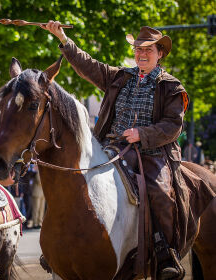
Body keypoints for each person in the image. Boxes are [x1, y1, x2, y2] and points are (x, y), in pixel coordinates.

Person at [43, 23, 190, 279]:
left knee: (160, 192)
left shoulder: (171, 86)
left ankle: (165, 253)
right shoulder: (119, 76)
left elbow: (173, 125)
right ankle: (57, 245)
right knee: (72, 180)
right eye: (138, 50)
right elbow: (88, 65)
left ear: (160, 53)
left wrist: (142, 134)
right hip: (111, 146)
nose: (141, 55)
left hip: (152, 153)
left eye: (148, 50)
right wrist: (63, 39)